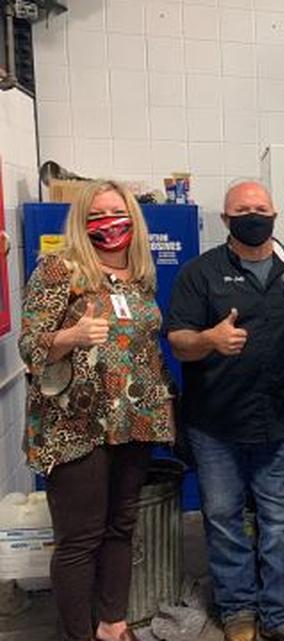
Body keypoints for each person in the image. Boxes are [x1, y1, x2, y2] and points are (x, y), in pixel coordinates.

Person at [166, 181, 284, 641]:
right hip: (216, 423)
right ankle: (238, 611)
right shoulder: (200, 273)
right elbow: (178, 340)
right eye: (241, 210)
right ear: (225, 219)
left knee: (280, 523)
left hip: (283, 421)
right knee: (224, 519)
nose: (252, 216)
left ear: (275, 215)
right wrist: (209, 340)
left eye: (260, 208)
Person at [19, 181, 174, 641]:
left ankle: (113, 624)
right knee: (79, 539)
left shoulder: (140, 276)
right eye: (99, 215)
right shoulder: (58, 270)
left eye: (119, 214)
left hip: (135, 421)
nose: (111, 224)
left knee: (121, 527)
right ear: (83, 222)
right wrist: (70, 337)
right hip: (74, 426)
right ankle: (79, 634)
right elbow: (29, 347)